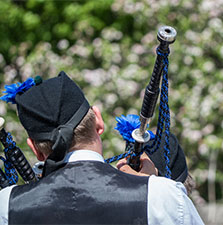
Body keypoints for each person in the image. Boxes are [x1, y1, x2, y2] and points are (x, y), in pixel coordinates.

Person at [0, 71, 204, 225]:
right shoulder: (163, 196)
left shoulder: (7, 206)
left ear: (35, 149)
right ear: (98, 120)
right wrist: (151, 190)